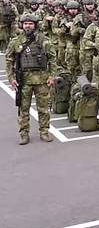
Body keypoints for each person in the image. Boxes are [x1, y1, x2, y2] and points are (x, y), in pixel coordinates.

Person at [6, 14, 59, 144]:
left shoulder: (43, 40)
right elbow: (9, 60)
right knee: (23, 109)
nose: (28, 26)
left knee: (43, 109)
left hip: (42, 80)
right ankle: (24, 133)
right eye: (25, 23)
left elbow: (52, 58)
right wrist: (11, 78)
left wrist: (52, 76)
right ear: (22, 25)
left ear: (35, 25)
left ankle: (44, 131)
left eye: (30, 23)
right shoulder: (16, 41)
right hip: (23, 81)